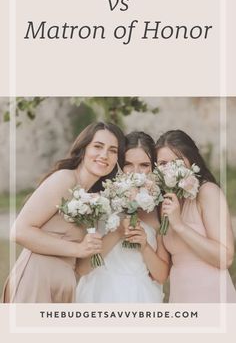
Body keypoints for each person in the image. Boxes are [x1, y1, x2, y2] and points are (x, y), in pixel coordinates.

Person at [2, 122, 125, 303]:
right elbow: (19, 231)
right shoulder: (65, 179)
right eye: (98, 146)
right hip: (37, 280)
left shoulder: (95, 199)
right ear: (83, 149)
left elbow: (81, 267)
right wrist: (78, 248)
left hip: (64, 287)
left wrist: (119, 231)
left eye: (113, 150)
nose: (104, 155)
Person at [76, 131, 170, 303]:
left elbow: (161, 276)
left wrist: (144, 245)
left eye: (144, 165)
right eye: (128, 164)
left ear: (154, 167)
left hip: (140, 296)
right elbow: (82, 268)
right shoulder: (100, 202)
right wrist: (117, 232)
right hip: (98, 293)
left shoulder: (159, 211)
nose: (135, 173)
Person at [155, 129, 236, 303]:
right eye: (162, 163)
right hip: (181, 296)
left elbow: (226, 258)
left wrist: (179, 226)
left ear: (191, 161)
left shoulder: (207, 192)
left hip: (211, 295)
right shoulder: (165, 202)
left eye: (176, 162)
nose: (169, 170)